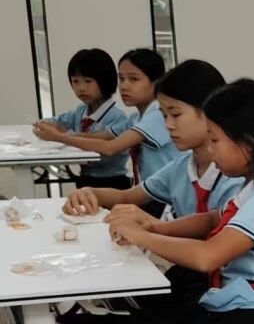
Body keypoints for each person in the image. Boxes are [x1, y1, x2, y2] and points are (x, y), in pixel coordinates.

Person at [58, 78, 254, 324]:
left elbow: (207, 256)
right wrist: (154, 228)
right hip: (233, 303)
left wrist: (142, 236)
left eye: (215, 140)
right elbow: (213, 218)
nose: (210, 149)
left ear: (248, 144)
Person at [61, 59, 240, 221]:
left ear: (209, 110)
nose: (168, 125)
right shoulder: (182, 167)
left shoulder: (234, 177)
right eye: (164, 115)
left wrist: (150, 226)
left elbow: (214, 244)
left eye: (176, 114)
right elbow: (126, 197)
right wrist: (87, 192)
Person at [34, 48, 181, 187]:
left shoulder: (158, 114)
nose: (124, 86)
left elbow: (109, 148)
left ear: (156, 83)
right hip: (150, 190)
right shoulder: (136, 118)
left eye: (134, 79)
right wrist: (63, 134)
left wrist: (60, 137)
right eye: (121, 78)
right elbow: (104, 136)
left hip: (167, 193)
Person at [37, 48, 133, 189]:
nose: (81, 88)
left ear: (105, 81)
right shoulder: (80, 111)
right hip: (85, 178)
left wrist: (64, 135)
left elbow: (105, 153)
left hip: (111, 181)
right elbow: (53, 122)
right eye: (75, 81)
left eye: (88, 81)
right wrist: (46, 126)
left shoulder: (117, 117)